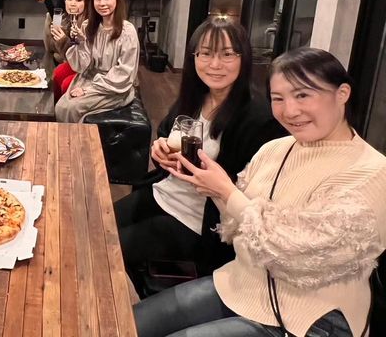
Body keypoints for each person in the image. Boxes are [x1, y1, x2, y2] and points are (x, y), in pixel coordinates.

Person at [134, 47, 386, 337]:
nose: (290, 111)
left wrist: (226, 192)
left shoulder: (372, 172)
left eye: (303, 95)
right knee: (130, 322)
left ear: (342, 93)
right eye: (278, 98)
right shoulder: (274, 149)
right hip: (241, 284)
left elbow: (300, 257)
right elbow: (235, 226)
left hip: (312, 320)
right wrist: (208, 185)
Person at [114, 17, 286, 295]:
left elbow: (256, 194)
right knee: (96, 227)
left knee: (108, 248)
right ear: (194, 57)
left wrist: (216, 183)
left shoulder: (258, 118)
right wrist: (160, 150)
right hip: (163, 194)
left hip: (197, 221)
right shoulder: (196, 96)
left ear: (243, 58)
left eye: (227, 54)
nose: (215, 64)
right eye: (205, 53)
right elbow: (167, 134)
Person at [55, 0, 139, 122]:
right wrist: (79, 43)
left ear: (117, 0)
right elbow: (81, 66)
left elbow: (124, 73)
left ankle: (78, 137)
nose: (102, 3)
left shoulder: (127, 31)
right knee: (61, 107)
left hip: (113, 87)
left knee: (70, 108)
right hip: (87, 78)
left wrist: (88, 90)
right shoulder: (88, 26)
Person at [45, 0, 90, 100]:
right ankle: (54, 108)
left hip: (88, 67)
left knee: (67, 84)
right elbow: (65, 53)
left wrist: (64, 41)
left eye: (78, 0)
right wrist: (58, 38)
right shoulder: (67, 18)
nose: (73, 3)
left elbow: (85, 59)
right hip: (75, 62)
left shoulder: (87, 23)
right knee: (57, 73)